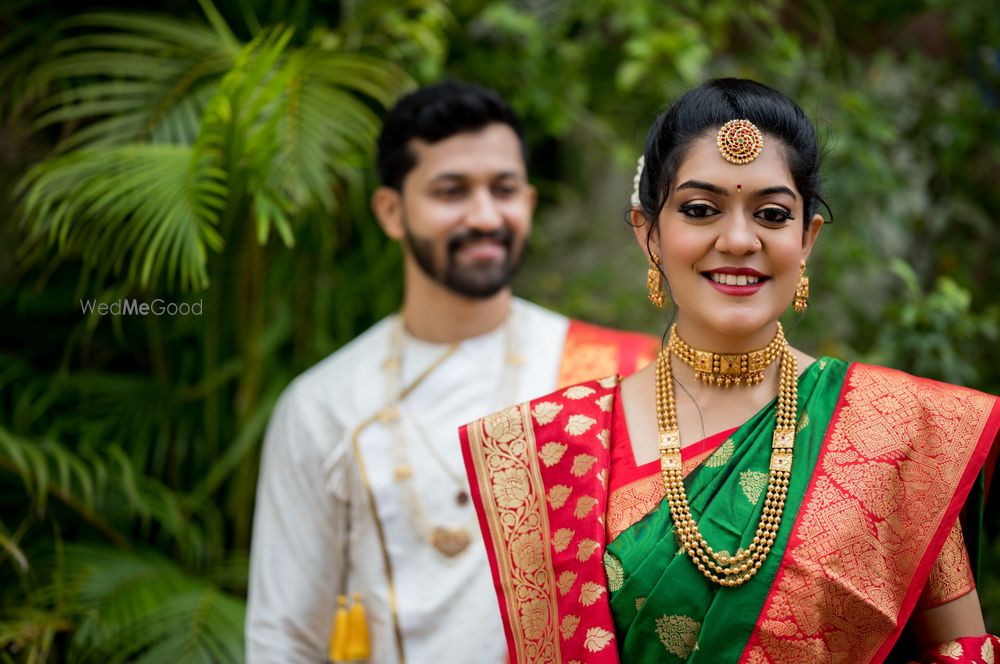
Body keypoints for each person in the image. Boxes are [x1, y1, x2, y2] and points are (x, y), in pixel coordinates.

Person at [460, 78, 1000, 663]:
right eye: (700, 210)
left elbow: (961, 651)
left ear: (807, 238)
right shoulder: (561, 441)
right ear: (650, 235)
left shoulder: (896, 432)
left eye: (771, 214)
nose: (739, 239)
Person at [245, 80, 658, 664]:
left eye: (503, 189)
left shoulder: (615, 378)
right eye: (451, 191)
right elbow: (284, 637)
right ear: (392, 211)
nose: (485, 215)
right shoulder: (325, 404)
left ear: (529, 203)